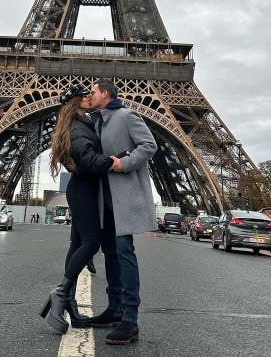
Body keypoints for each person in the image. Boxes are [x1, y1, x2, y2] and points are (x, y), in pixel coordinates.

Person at [88, 79, 157, 345]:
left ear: (105, 93)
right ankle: (114, 308)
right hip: (104, 197)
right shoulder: (96, 120)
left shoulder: (128, 115)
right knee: (111, 254)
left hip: (122, 196)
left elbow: (149, 146)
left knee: (124, 252)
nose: (90, 95)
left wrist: (125, 163)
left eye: (93, 91)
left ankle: (130, 320)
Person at [39, 84, 110, 335]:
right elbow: (88, 160)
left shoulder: (82, 123)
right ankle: (60, 294)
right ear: (77, 102)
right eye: (85, 95)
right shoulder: (78, 128)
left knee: (76, 244)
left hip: (83, 189)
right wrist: (115, 160)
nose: (89, 97)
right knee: (91, 244)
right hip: (83, 189)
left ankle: (67, 300)